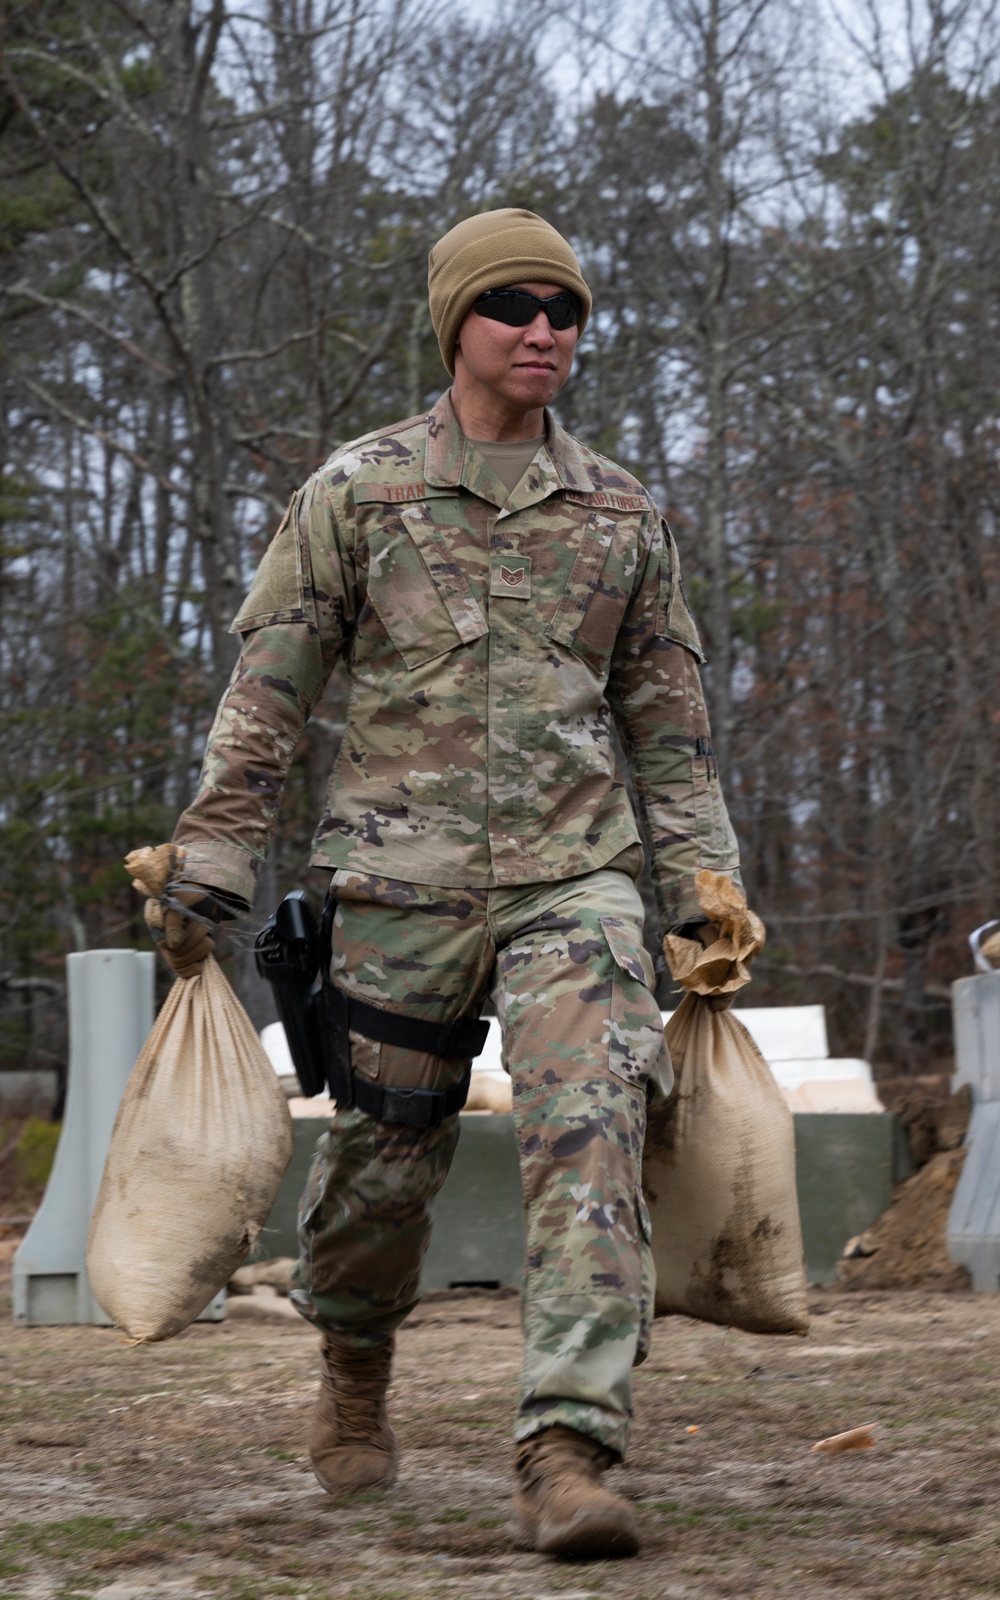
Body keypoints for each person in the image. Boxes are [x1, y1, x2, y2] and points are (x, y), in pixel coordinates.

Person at [142, 208, 749, 1561]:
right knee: (379, 1169)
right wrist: (214, 859)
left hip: (575, 883)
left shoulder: (621, 515)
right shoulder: (359, 495)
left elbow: (669, 723)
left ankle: (567, 1445)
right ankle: (354, 1367)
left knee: (591, 1132)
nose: (544, 330)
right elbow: (269, 696)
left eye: (568, 311)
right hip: (399, 885)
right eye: (514, 306)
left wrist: (704, 883)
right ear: (455, 324)